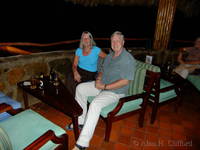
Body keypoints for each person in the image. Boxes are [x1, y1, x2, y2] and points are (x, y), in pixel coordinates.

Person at [70, 31, 136, 150]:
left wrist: (104, 87)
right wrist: (99, 79)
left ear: (123, 42)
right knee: (80, 88)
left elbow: (125, 81)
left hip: (115, 91)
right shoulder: (110, 55)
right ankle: (81, 120)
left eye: (117, 40)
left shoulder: (127, 59)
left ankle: (83, 143)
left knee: (95, 104)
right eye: (112, 41)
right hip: (102, 85)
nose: (115, 43)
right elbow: (102, 69)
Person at [66, 31, 106, 96]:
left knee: (78, 84)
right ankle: (71, 99)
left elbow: (107, 58)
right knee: (69, 78)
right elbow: (74, 64)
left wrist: (104, 67)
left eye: (88, 38)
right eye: (84, 38)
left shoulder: (96, 50)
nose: (86, 40)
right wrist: (75, 72)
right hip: (79, 70)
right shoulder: (79, 50)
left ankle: (76, 102)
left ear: (91, 39)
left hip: (90, 74)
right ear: (82, 40)